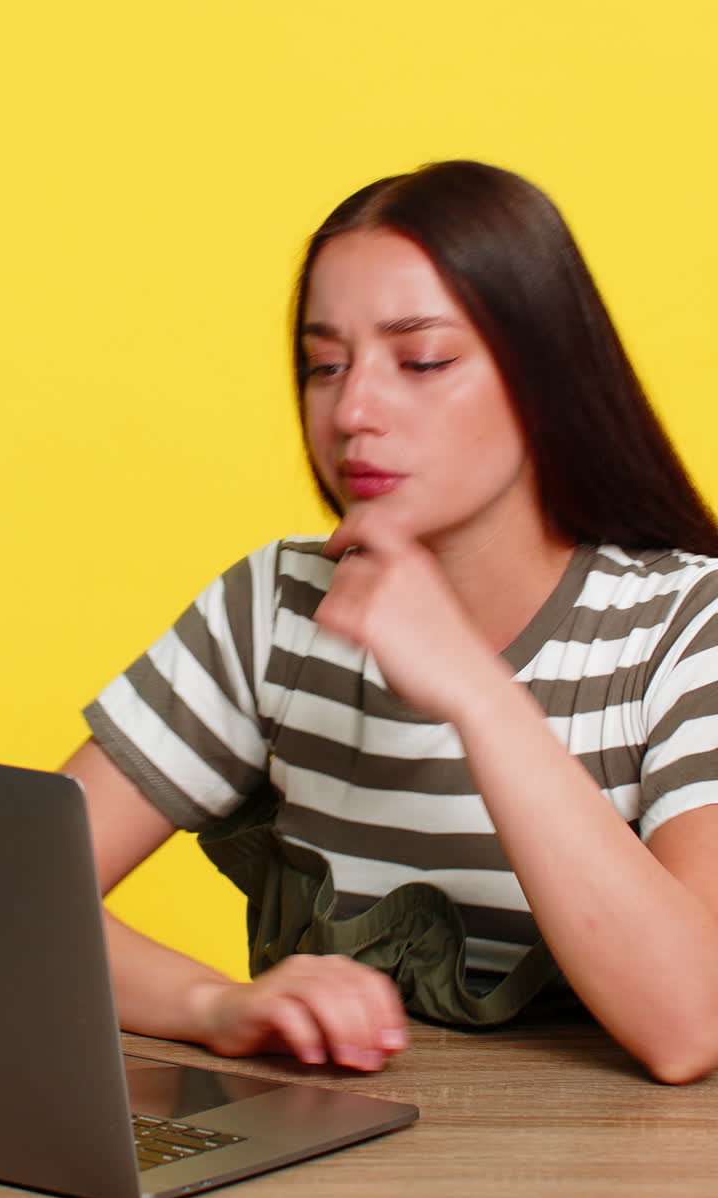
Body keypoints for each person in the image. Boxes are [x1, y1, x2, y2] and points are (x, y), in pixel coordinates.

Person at [62, 160, 718, 1084]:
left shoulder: (688, 623)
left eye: (423, 362)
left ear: (547, 377)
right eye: (324, 366)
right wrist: (217, 1007)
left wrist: (477, 693)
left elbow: (689, 1025)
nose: (354, 411)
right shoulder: (276, 607)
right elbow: (20, 903)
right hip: (331, 1195)